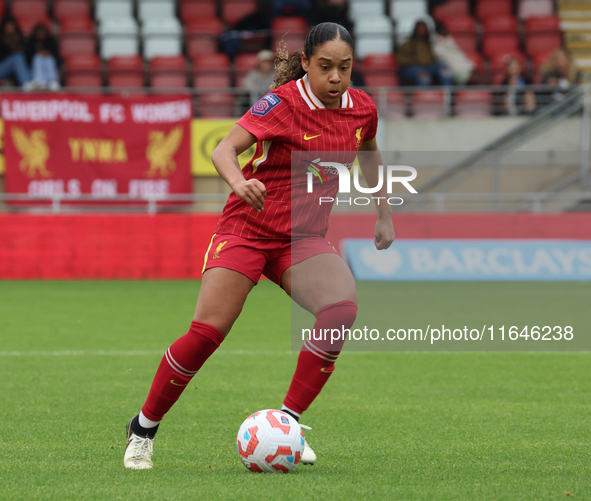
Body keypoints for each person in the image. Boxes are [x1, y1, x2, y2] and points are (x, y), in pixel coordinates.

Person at [123, 22, 395, 470]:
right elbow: (223, 150)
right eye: (324, 67)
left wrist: (383, 213)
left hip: (302, 239)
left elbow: (370, 154)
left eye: (344, 68)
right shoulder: (282, 104)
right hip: (246, 230)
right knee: (208, 332)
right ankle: (143, 428)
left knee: (341, 308)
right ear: (304, 63)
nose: (335, 78)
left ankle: (287, 424)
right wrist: (238, 181)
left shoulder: (362, 108)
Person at [397, 20, 453, 87]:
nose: (422, 30)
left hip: (429, 67)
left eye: (424, 28)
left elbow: (435, 58)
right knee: (423, 76)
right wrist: (418, 64)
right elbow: (402, 61)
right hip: (412, 69)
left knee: (444, 71)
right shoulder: (407, 44)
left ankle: (447, 95)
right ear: (415, 29)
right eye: (420, 28)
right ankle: (424, 96)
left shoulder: (431, 43)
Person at [0, 16, 33, 89]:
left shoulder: (19, 38)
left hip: (13, 71)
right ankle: (26, 84)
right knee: (17, 57)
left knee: (22, 59)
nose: (11, 27)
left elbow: (27, 55)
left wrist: (17, 44)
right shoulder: (1, 39)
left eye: (12, 25)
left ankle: (36, 84)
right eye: (8, 25)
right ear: (3, 26)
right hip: (2, 68)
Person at [25, 22, 60, 90]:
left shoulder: (51, 41)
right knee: (37, 58)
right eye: (39, 32)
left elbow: (56, 56)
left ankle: (52, 81)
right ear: (35, 33)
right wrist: (38, 53)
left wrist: (47, 53)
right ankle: (38, 81)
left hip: (48, 65)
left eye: (42, 32)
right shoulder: (31, 42)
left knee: (50, 58)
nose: (41, 34)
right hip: (33, 68)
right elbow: (28, 57)